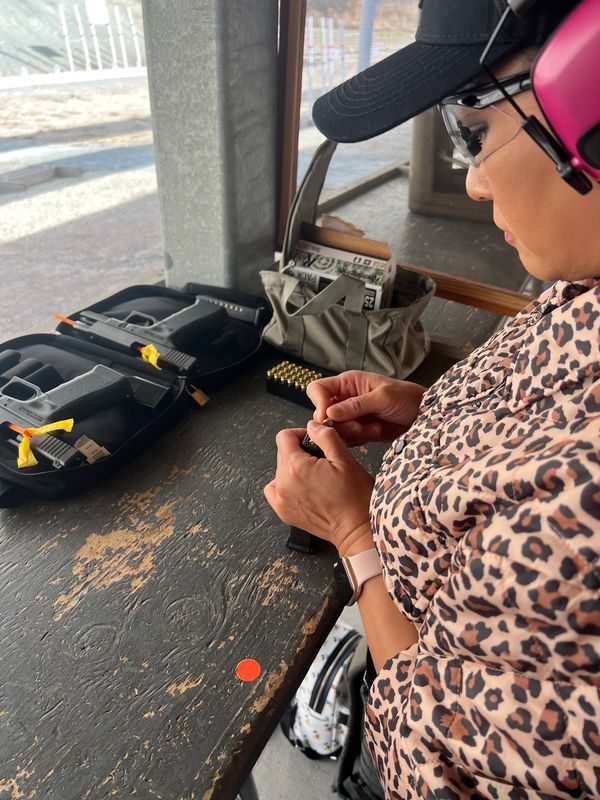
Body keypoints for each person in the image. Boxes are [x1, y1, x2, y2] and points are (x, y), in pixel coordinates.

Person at [264, 1, 600, 798]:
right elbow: (548, 404)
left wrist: (352, 536)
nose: (474, 180)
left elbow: (439, 761)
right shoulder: (583, 281)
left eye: (473, 130)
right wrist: (432, 412)